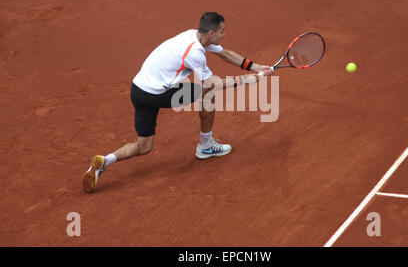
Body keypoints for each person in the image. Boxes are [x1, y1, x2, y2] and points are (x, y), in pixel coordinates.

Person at [83, 12, 273, 193]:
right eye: (222, 31)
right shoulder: (195, 53)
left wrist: (254, 66)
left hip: (138, 90)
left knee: (145, 146)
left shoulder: (193, 35)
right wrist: (246, 80)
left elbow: (226, 54)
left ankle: (105, 161)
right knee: (207, 93)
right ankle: (206, 146)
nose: (225, 34)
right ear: (212, 33)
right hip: (155, 94)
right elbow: (212, 83)